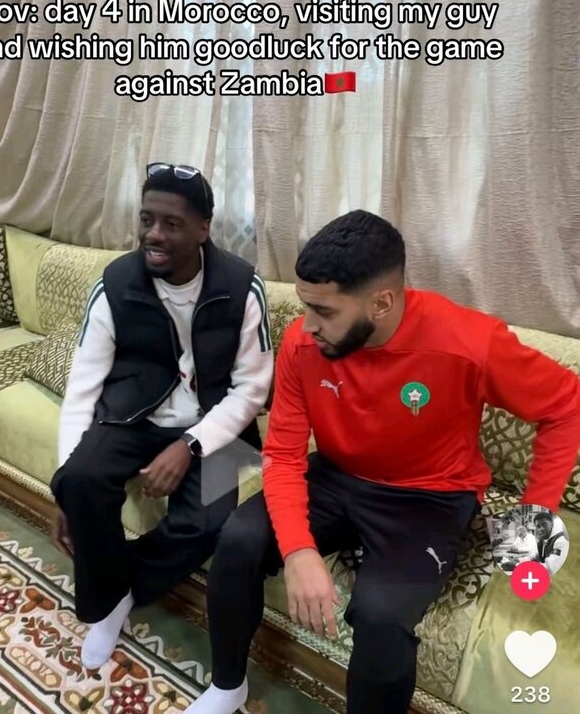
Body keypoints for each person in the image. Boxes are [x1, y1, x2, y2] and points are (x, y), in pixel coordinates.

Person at [186, 210, 580, 714]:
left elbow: (565, 405)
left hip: (430, 497)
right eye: (306, 307)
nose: (307, 325)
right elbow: (283, 454)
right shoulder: (303, 344)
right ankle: (227, 686)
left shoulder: (469, 343)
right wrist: (299, 550)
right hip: (335, 477)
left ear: (382, 302)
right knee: (238, 538)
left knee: (380, 616)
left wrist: (534, 520)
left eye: (324, 311)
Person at [50, 163, 273, 669]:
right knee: (80, 480)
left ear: (202, 229)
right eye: (147, 219)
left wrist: (190, 445)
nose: (153, 234)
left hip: (222, 427)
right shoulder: (115, 283)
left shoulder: (243, 287)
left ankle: (120, 584)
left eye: (172, 224)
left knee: (209, 523)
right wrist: (63, 486)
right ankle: (108, 601)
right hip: (133, 414)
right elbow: (82, 388)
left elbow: (252, 388)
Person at [532, 511, 570, 575]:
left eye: (544, 524)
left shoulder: (560, 540)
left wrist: (528, 567)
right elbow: (537, 556)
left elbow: (550, 568)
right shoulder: (543, 540)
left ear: (552, 523)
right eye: (538, 526)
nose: (541, 529)